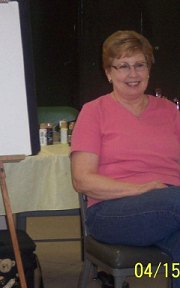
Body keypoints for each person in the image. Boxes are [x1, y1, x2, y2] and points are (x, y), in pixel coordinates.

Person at [70, 30, 180, 287]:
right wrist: (140, 189)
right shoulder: (93, 112)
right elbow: (82, 180)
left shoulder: (169, 112)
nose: (133, 74)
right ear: (109, 72)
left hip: (169, 207)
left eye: (140, 65)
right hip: (114, 211)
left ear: (149, 70)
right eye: (123, 66)